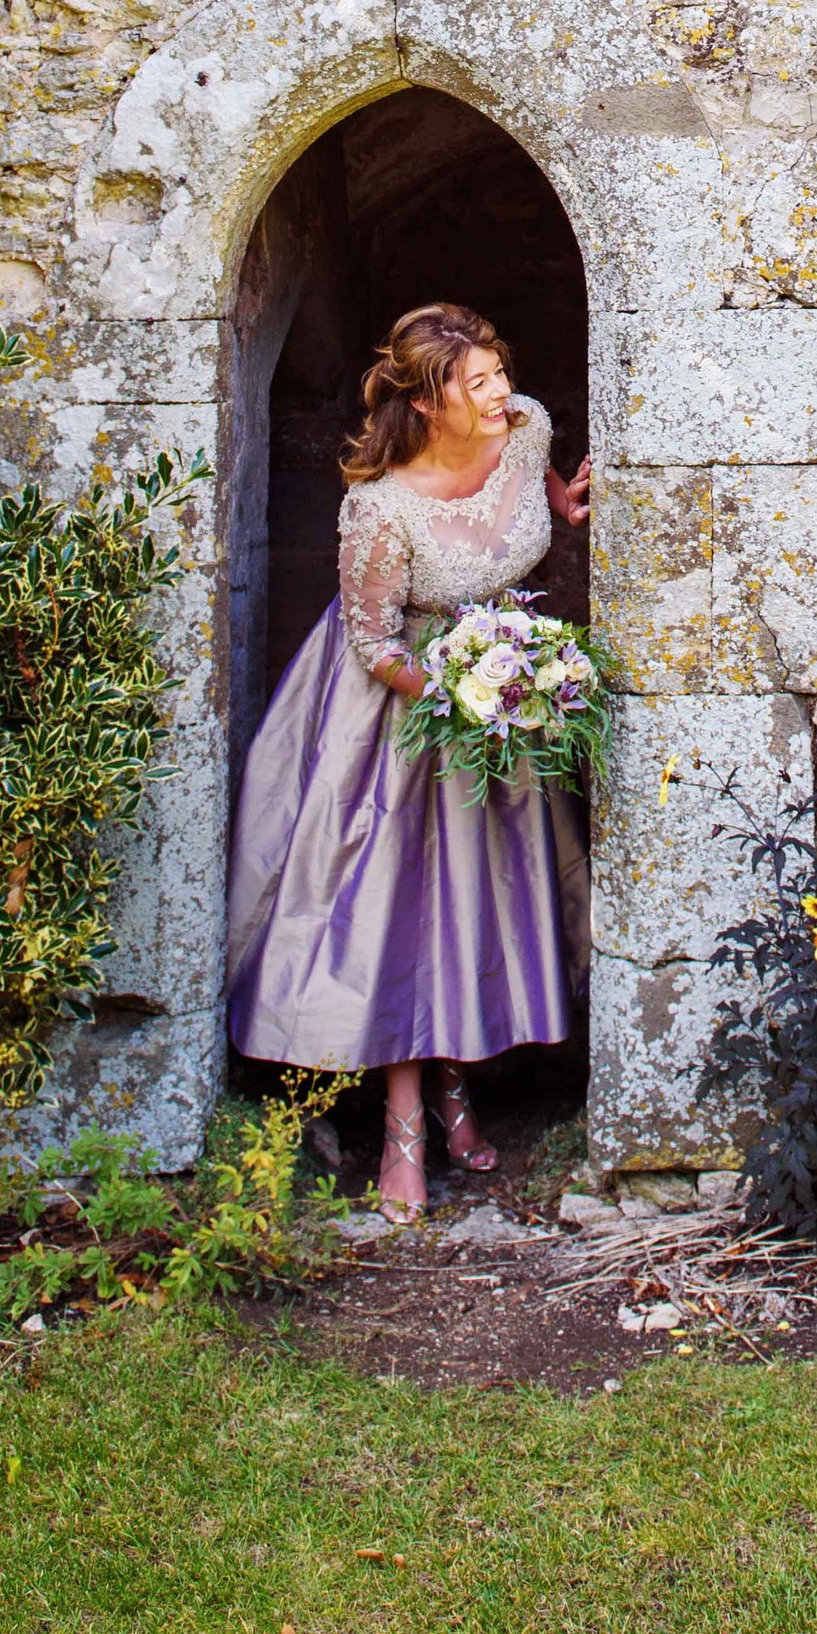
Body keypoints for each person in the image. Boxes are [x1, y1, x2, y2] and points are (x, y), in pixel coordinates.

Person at [224, 301, 592, 1218]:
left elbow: (527, 497)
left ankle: (459, 1088)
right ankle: (401, 1130)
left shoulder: (526, 427)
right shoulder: (379, 509)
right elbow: (371, 642)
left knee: (478, 903)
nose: (501, 388)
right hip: (395, 714)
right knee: (398, 911)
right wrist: (460, 690)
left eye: (500, 368)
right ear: (430, 403)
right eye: (478, 382)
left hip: (497, 702)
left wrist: (556, 501)